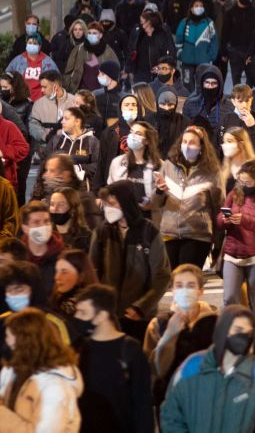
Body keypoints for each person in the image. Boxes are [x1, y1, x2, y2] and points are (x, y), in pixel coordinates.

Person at [160, 305, 255, 433]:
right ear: (222, 331)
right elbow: (171, 414)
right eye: (238, 329)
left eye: (248, 333)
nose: (243, 336)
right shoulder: (191, 367)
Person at [0, 307, 83, 432]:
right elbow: (3, 406)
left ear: (25, 342)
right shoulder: (12, 370)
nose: (7, 342)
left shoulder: (55, 386)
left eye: (9, 336)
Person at [89, 180, 171, 338]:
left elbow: (162, 275)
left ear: (126, 203)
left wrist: (141, 307)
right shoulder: (101, 232)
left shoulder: (148, 232)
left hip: (139, 316)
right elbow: (92, 271)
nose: (108, 209)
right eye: (105, 204)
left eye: (112, 204)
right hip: (108, 315)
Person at [72, 284, 154, 433]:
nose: (77, 318)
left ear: (102, 315)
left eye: (83, 313)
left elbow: (143, 404)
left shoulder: (130, 349)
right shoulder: (80, 348)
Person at [143, 263, 219, 405]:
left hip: (207, 398)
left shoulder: (215, 321)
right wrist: (169, 336)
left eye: (190, 285)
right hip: (171, 398)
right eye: (179, 285)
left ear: (200, 291)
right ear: (172, 290)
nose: (185, 290)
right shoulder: (158, 324)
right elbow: (154, 369)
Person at [152, 125, 223, 269]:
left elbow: (218, 208)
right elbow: (155, 203)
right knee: (172, 283)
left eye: (192, 142)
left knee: (187, 281)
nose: (187, 146)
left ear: (202, 147)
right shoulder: (167, 166)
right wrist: (159, 191)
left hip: (197, 235)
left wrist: (218, 242)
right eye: (184, 142)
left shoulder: (212, 172)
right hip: (169, 233)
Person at [217, 158, 255, 315]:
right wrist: (224, 220)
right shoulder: (234, 193)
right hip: (233, 254)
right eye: (241, 181)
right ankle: (231, 330)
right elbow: (220, 217)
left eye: (248, 182)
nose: (243, 185)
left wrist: (244, 220)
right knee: (229, 297)